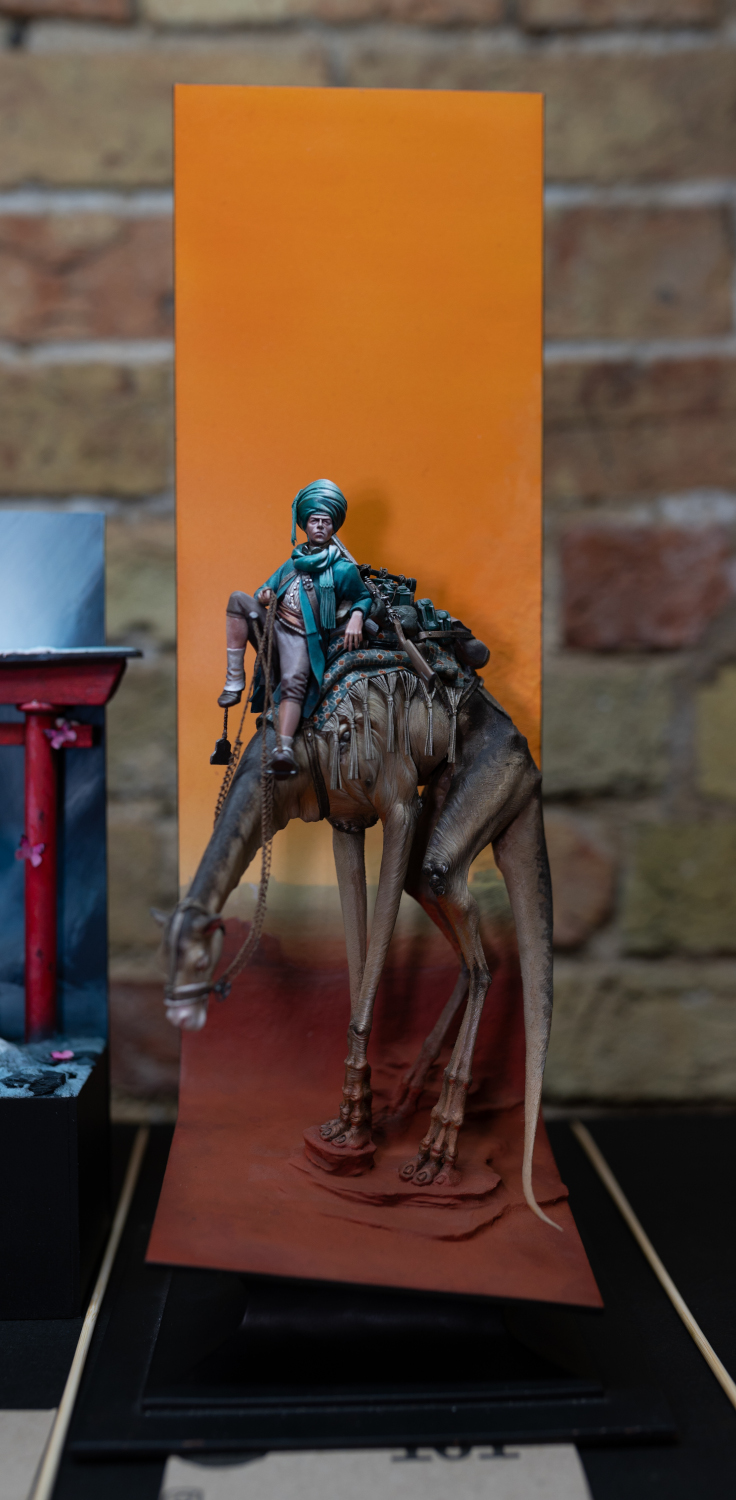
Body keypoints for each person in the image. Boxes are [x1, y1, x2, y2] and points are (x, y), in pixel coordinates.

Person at [218, 479, 373, 777]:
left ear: (333, 526)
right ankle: (234, 679)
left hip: (303, 637)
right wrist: (264, 594)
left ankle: (284, 749)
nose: (320, 526)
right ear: (305, 524)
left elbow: (363, 597)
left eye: (326, 521)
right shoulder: (292, 562)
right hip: (274, 626)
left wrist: (356, 616)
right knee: (238, 600)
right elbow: (263, 590)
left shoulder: (342, 569)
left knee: (294, 682)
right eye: (314, 520)